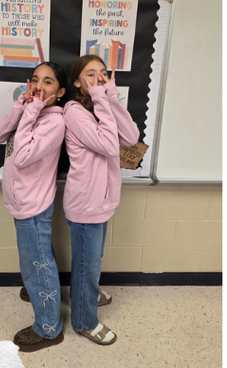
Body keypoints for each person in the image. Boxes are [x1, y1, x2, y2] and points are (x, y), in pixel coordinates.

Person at [0, 63, 67, 352]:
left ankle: (49, 328)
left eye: (48, 82)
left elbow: (21, 157)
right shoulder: (28, 111)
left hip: (33, 206)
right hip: (20, 202)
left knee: (37, 264)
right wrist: (22, 106)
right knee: (37, 257)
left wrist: (32, 110)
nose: (39, 86)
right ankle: (41, 290)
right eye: (35, 80)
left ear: (59, 92)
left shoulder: (54, 122)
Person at [63, 56, 140, 346]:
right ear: (77, 82)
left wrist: (110, 99)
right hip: (86, 203)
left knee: (92, 260)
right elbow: (109, 145)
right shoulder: (72, 111)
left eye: (103, 74)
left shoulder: (101, 105)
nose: (98, 78)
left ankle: (87, 295)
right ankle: (85, 320)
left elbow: (130, 138)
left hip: (102, 201)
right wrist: (100, 97)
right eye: (90, 74)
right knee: (87, 264)